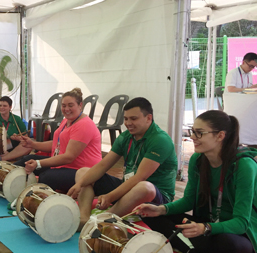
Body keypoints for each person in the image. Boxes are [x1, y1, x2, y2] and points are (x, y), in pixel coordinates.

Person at [136, 110, 257, 253]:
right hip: (208, 225)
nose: (192, 137)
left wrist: (206, 228)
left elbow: (242, 222)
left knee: (227, 243)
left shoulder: (243, 165)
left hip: (241, 234)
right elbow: (188, 201)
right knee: (150, 214)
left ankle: (192, 249)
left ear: (220, 136)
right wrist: (161, 209)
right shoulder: (198, 160)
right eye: (193, 131)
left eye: (199, 133)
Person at [68, 97, 177, 229]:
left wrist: (110, 196)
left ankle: (102, 220)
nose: (128, 123)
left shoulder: (160, 140)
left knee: (144, 187)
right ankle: (83, 217)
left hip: (155, 197)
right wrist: (79, 184)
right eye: (126, 119)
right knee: (83, 172)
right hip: (129, 188)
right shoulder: (126, 137)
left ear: (148, 118)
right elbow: (103, 166)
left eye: (134, 119)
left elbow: (139, 178)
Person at [0, 88, 102, 193]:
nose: (66, 109)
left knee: (46, 177)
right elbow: (56, 145)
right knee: (27, 159)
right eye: (63, 105)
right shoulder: (67, 121)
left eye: (70, 105)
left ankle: (7, 185)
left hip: (82, 171)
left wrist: (38, 163)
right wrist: (32, 144)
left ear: (80, 105)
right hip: (64, 164)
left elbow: (68, 157)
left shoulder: (84, 125)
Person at [0, 96, 30, 163]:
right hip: (1, 148)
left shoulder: (17, 119)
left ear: (10, 107)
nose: (1, 108)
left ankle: (4, 158)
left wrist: (18, 138)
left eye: (4, 106)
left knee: (28, 145)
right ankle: (14, 157)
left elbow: (25, 137)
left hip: (15, 147)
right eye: (0, 105)